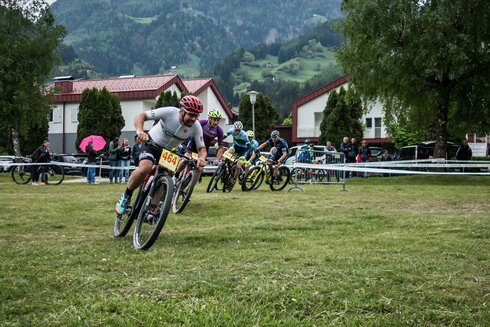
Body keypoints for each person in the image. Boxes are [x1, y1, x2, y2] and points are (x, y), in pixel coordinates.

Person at [115, 95, 207, 215]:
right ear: (182, 111)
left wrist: (202, 158)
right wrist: (140, 131)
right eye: (191, 114)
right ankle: (126, 195)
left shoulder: (196, 126)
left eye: (196, 116)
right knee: (145, 168)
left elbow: (202, 148)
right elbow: (140, 116)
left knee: (166, 177)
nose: (194, 119)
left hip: (169, 152)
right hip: (152, 143)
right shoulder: (169, 112)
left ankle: (152, 208)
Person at [180, 109, 225, 181]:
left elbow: (220, 147)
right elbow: (189, 129)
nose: (216, 122)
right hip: (193, 143)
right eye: (214, 120)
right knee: (186, 160)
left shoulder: (219, 131)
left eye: (218, 120)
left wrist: (217, 159)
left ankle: (191, 186)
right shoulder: (202, 123)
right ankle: (177, 174)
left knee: (200, 168)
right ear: (209, 118)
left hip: (204, 148)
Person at [223, 121, 252, 185]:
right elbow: (223, 137)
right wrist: (219, 143)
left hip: (244, 150)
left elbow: (249, 148)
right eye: (236, 130)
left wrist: (244, 156)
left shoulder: (244, 135)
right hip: (235, 147)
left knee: (238, 166)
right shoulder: (231, 130)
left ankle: (233, 180)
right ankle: (225, 165)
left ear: (241, 130)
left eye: (239, 131)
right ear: (234, 129)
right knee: (227, 152)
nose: (237, 132)